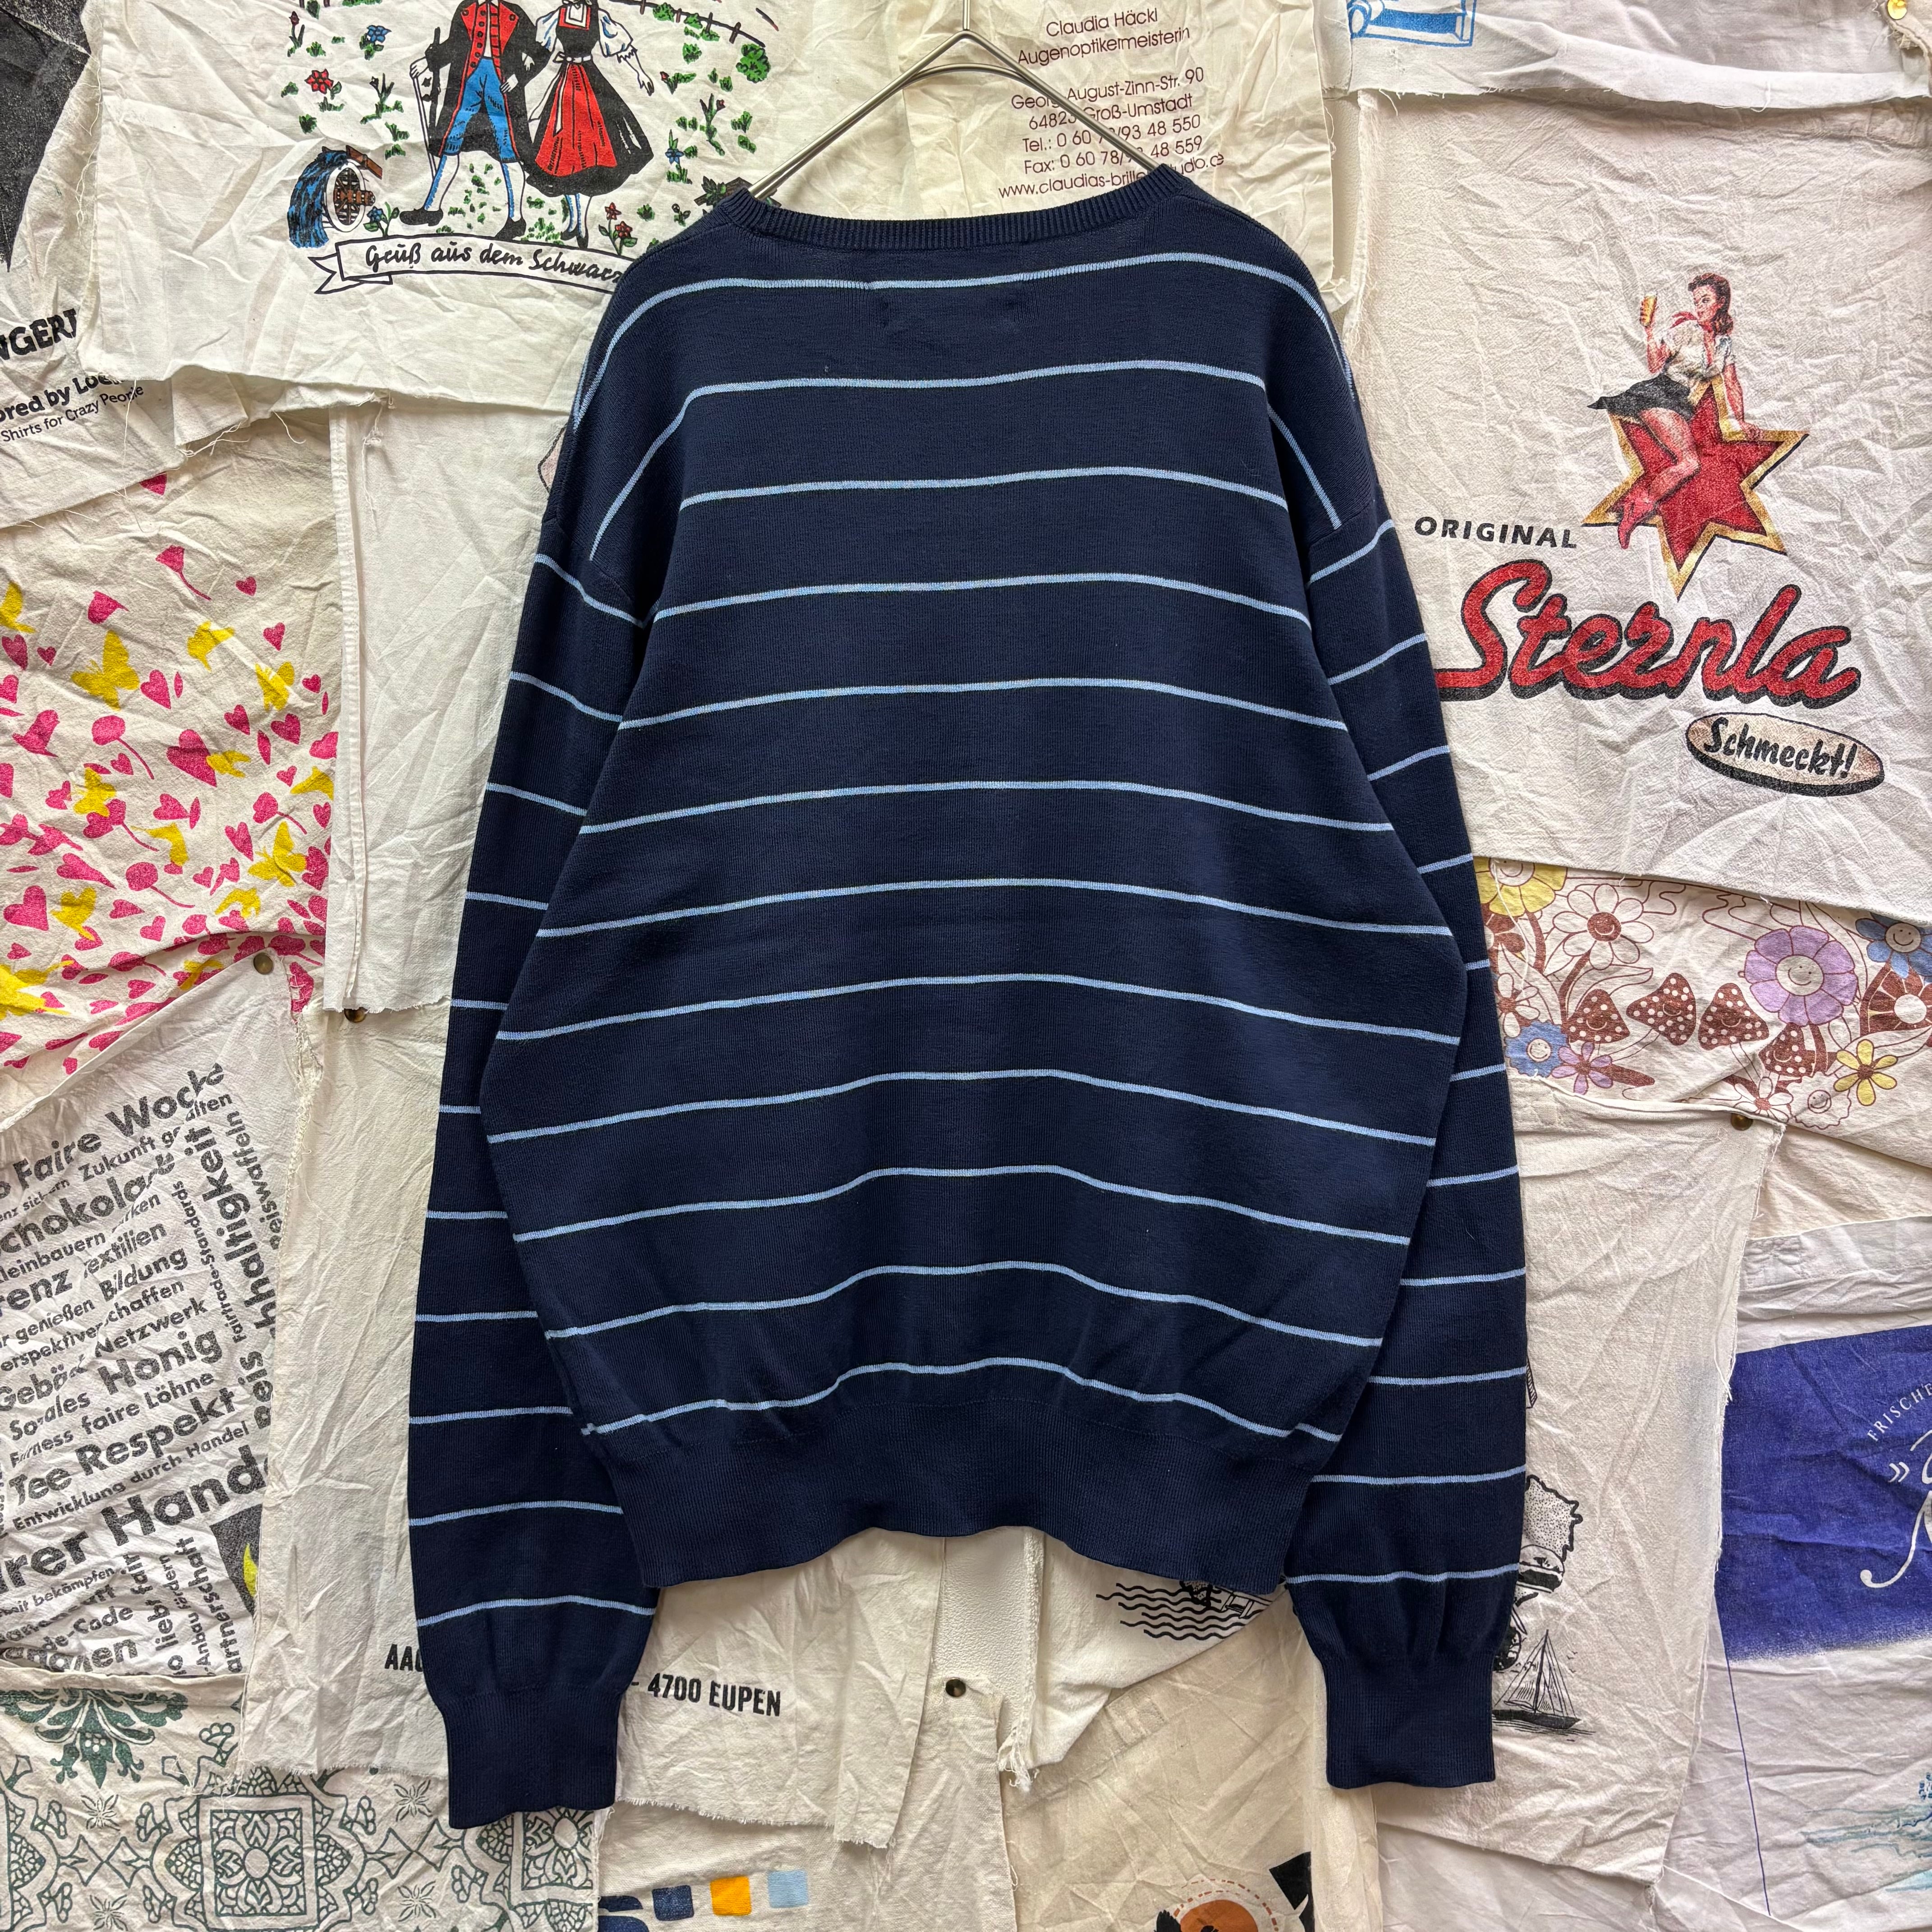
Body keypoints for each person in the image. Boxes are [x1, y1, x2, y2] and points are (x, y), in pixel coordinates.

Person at [1591, 272, 1762, 547]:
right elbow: (1655, 364)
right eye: (1697, 302)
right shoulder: (1685, 331)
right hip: (1659, 394)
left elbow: (1732, 383)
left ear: (1721, 302)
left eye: (1705, 300)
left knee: (1691, 464)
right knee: (1689, 463)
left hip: (1680, 402)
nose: (1700, 307)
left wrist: (1740, 421)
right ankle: (1637, 509)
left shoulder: (1724, 343)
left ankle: (1637, 506)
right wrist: (1649, 331)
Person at [401, 0, 548, 241]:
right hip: (467, 83)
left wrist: (518, 78)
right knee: (450, 142)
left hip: (502, 87)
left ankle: (516, 220)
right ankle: (432, 209)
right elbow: (454, 46)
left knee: (509, 148)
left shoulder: (514, 14)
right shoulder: (466, 9)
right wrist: (429, 61)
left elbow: (541, 51)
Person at [526, 0, 653, 248]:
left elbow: (622, 47)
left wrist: (640, 72)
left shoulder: (598, 18)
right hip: (565, 87)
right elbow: (538, 49)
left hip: (590, 86)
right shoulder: (557, 16)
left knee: (590, 156)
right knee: (562, 158)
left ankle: (582, 222)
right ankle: (573, 219)